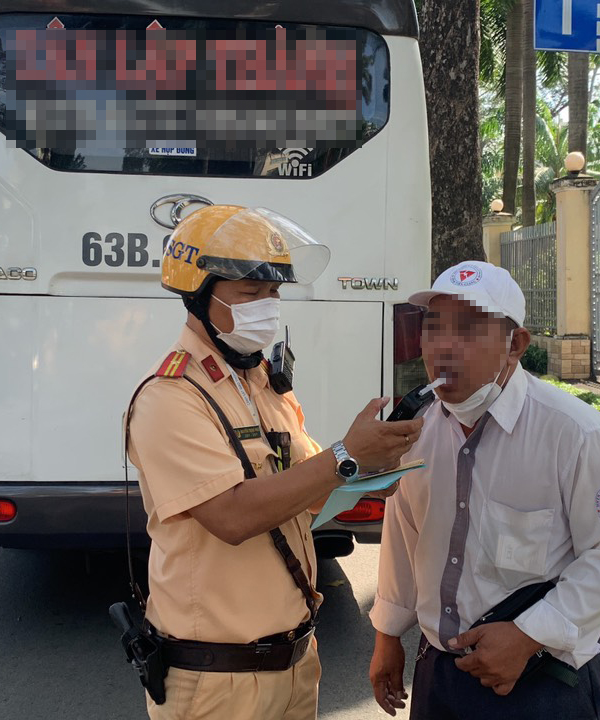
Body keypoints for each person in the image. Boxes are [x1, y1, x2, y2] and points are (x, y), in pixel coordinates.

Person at [127, 205, 423, 720]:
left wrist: (369, 473)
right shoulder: (170, 396)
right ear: (198, 296)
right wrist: (345, 454)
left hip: (295, 666)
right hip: (218, 684)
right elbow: (233, 516)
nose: (267, 305)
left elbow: (302, 494)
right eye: (249, 294)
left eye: (274, 293)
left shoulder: (261, 381)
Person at [367, 261, 600, 719]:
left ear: (514, 345)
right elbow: (404, 535)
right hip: (440, 675)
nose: (444, 347)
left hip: (540, 682)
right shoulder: (416, 430)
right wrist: (387, 636)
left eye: (470, 328)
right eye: (433, 327)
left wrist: (527, 636)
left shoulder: (573, 433)